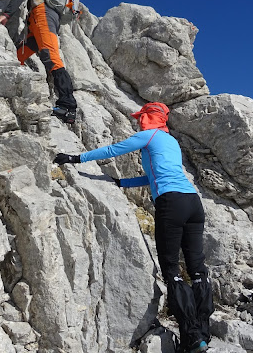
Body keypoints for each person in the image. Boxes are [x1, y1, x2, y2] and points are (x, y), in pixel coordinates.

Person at [54, 102, 213, 353]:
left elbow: (114, 149)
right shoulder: (171, 142)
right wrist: (122, 183)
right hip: (193, 203)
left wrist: (76, 158)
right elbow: (154, 175)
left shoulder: (148, 135)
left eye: (143, 117)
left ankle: (192, 338)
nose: (139, 121)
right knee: (197, 269)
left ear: (151, 117)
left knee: (171, 269)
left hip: (171, 203)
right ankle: (203, 332)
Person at [0, 0, 77, 124]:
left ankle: (68, 105)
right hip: (49, 18)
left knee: (51, 55)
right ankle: (9, 83)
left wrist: (7, 14)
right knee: (21, 53)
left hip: (42, 15)